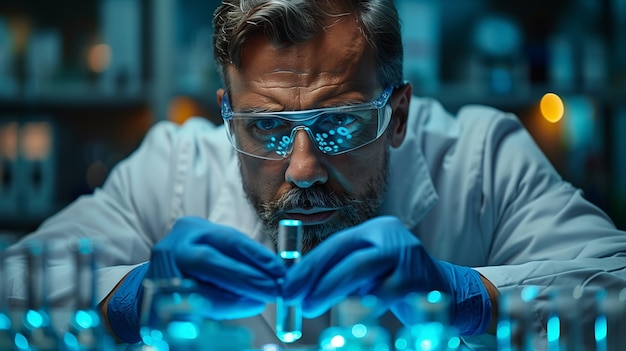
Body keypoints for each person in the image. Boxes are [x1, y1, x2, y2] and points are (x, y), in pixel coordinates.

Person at [4, 0, 626, 349]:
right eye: (267, 128)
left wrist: (467, 294)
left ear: (399, 114)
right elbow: (14, 290)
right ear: (227, 117)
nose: (302, 170)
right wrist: (131, 298)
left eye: (340, 123)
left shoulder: (480, 158)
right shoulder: (172, 166)